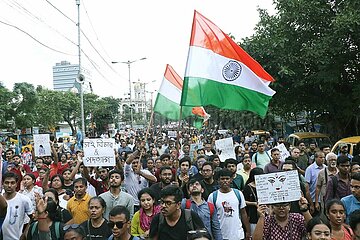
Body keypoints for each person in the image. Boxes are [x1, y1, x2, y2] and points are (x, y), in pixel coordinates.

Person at [208, 169, 251, 240]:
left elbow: (243, 213)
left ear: (231, 180)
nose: (225, 181)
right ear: (218, 180)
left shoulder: (238, 194)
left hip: (238, 235)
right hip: (221, 236)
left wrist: (248, 231)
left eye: (227, 178)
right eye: (222, 179)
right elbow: (210, 217)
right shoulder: (212, 196)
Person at [1, 172, 34, 240]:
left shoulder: (24, 199)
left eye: (12, 183)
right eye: (6, 183)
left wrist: (25, 233)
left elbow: (33, 218)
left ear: (16, 184)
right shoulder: (0, 200)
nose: (9, 185)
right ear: (2, 184)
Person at [315, 152, 338, 217]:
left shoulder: (339, 172)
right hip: (325, 201)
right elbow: (318, 187)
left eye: (334, 160)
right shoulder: (322, 172)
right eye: (331, 160)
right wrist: (317, 202)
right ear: (327, 161)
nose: (333, 162)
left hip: (338, 200)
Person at [243, 167, 264, 234]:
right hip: (252, 215)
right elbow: (243, 201)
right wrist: (254, 203)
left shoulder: (265, 185)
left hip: (265, 214)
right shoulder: (248, 187)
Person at [305, 151, 326, 216]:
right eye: (320, 157)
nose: (322, 159)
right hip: (313, 199)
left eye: (324, 157)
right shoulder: (310, 169)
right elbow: (307, 187)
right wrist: (311, 204)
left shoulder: (325, 168)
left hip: (323, 199)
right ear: (316, 158)